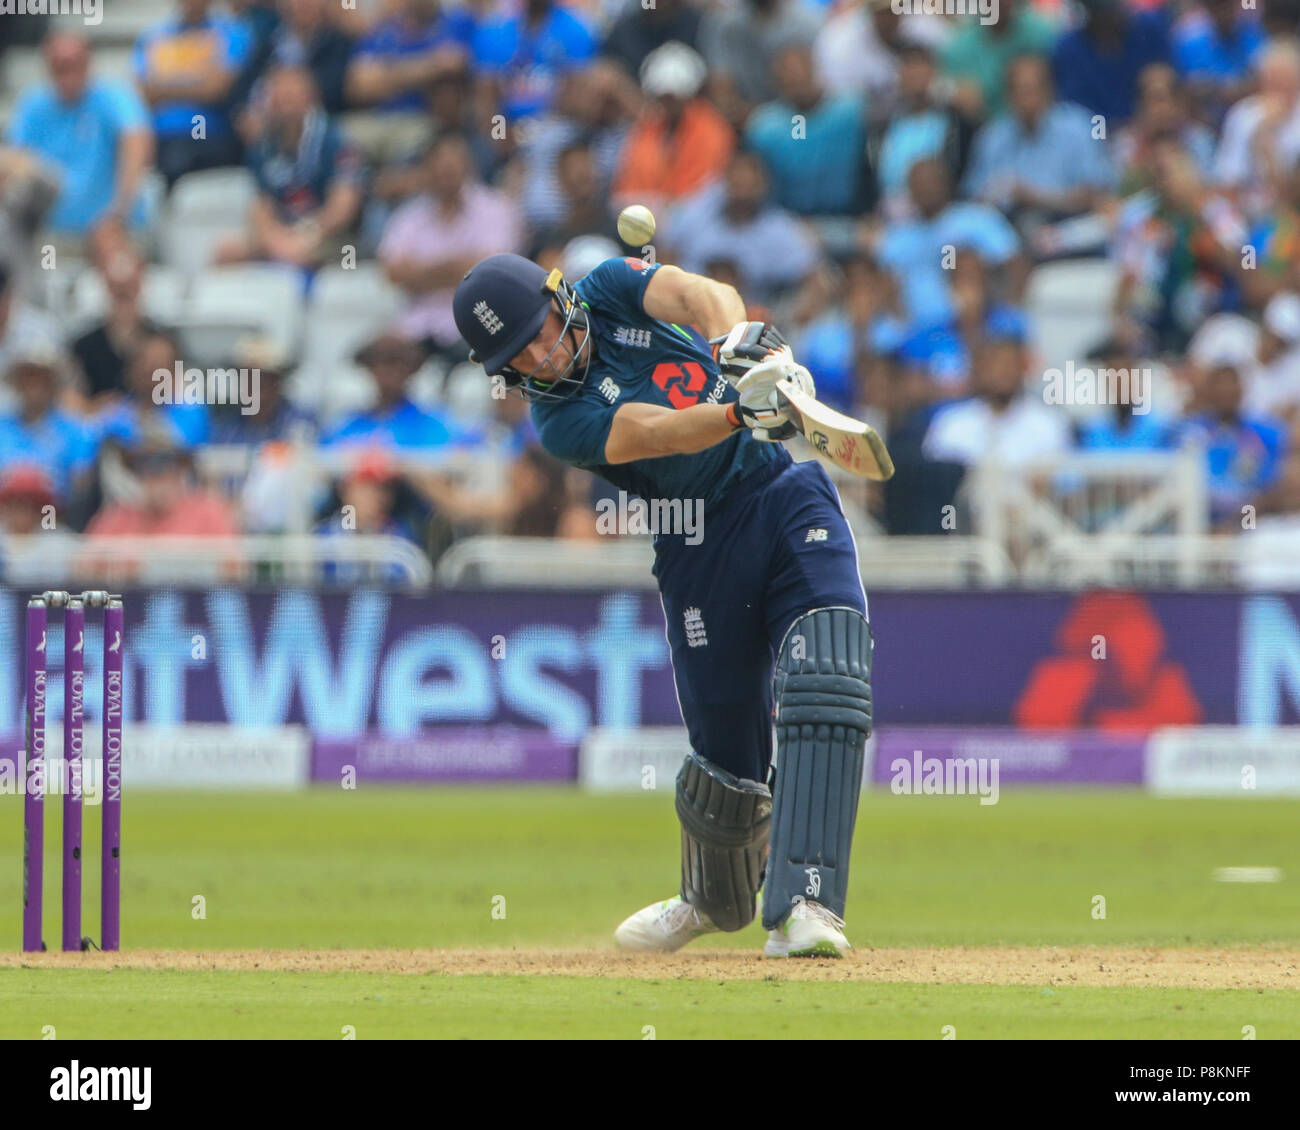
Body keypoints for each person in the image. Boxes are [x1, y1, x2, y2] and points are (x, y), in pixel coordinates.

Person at [452, 251, 875, 958]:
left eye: (540, 328)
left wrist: (734, 347)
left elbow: (700, 291)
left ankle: (807, 905)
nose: (541, 353)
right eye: (518, 355)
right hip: (696, 542)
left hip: (781, 493)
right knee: (726, 759)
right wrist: (739, 408)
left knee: (826, 674)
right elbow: (654, 431)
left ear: (560, 298)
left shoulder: (610, 286)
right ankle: (710, 898)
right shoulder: (556, 422)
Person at [215, 65, 364, 270]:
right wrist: (275, 240)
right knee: (227, 253)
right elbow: (261, 208)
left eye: (292, 96)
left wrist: (304, 234)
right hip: (282, 233)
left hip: (330, 236)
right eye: (278, 96)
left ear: (310, 97)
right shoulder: (262, 147)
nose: (284, 104)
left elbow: (343, 208)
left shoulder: (336, 140)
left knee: (302, 253)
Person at [7, 33, 154, 240]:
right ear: (48, 67)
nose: (67, 74)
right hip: (49, 233)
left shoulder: (114, 96)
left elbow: (137, 140)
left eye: (73, 64)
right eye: (60, 66)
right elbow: (15, 159)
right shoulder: (33, 103)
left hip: (111, 232)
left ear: (88, 63)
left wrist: (119, 212)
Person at [134, 0, 254, 184]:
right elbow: (143, 92)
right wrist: (196, 81)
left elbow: (215, 90)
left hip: (206, 135)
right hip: (159, 138)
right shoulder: (154, 36)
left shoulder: (232, 32)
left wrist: (164, 85)